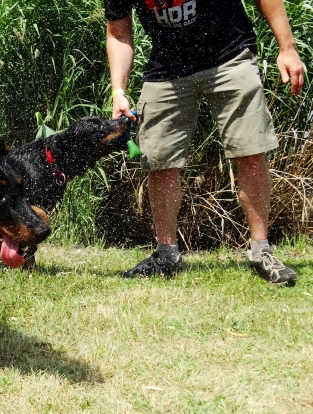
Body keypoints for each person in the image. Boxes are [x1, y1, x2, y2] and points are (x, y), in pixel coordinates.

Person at [105, 0, 305, 284]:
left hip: (230, 56)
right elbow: (118, 33)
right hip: (167, 68)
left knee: (250, 150)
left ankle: (262, 251)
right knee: (158, 160)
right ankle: (167, 255)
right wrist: (118, 90)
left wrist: (287, 48)